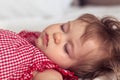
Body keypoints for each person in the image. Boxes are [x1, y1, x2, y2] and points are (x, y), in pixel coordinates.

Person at [0, 14, 120, 80]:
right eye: (63, 28)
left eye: (66, 48)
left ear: (72, 69)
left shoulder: (49, 72)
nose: (57, 36)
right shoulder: (35, 39)